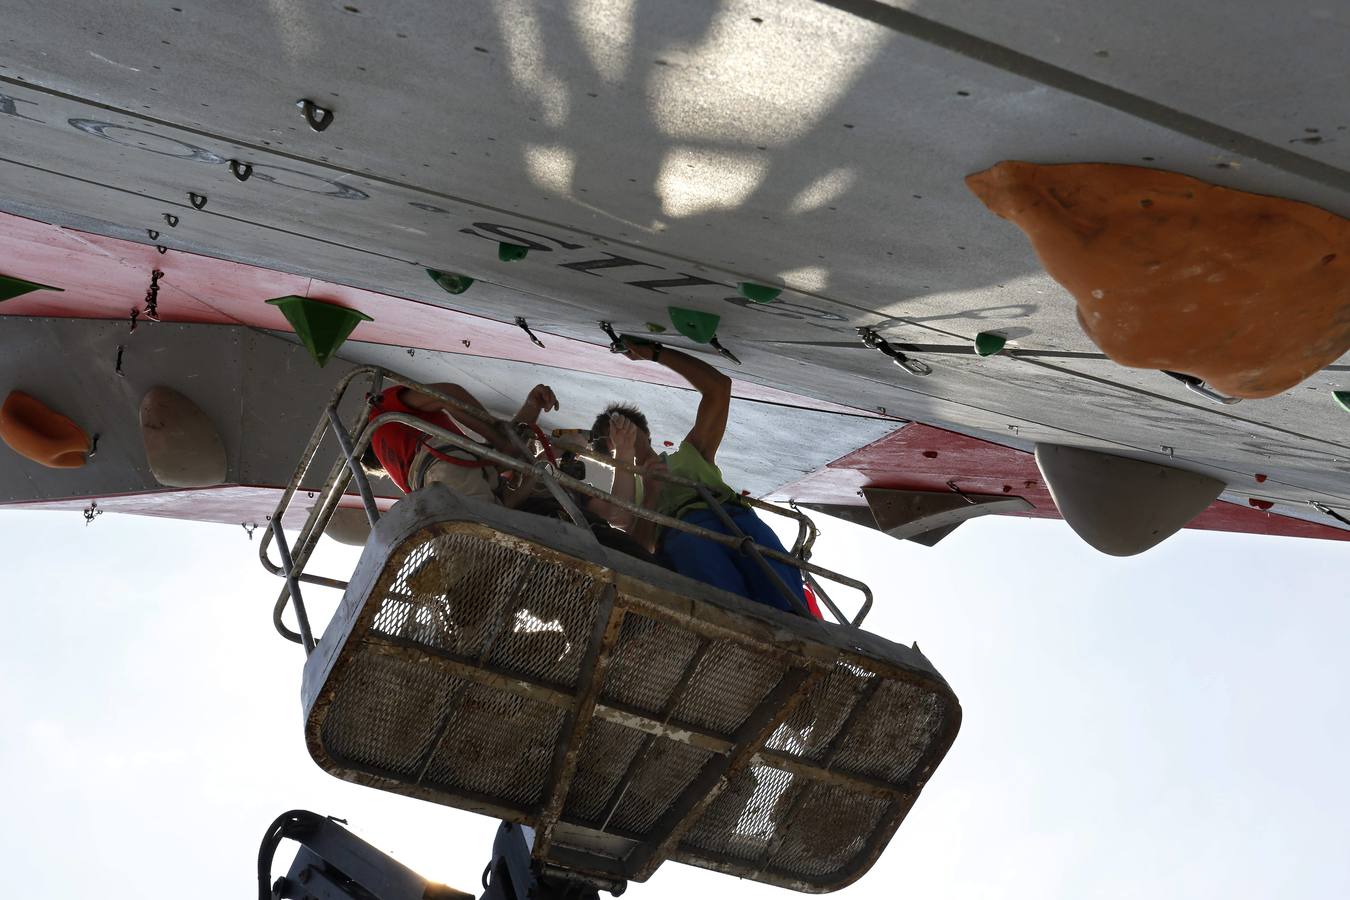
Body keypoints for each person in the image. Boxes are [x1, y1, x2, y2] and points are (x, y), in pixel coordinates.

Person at [589, 338, 809, 614]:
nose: (623, 434)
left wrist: (658, 354)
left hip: (738, 521)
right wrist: (646, 482)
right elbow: (636, 541)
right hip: (684, 538)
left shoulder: (691, 453)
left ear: (642, 429)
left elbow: (719, 388)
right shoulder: (627, 486)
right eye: (614, 437)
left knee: (789, 605)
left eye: (623, 426)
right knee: (733, 616)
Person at [361, 380, 557, 506]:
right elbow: (448, 395)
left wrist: (533, 405)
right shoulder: (381, 412)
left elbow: (503, 456)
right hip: (448, 470)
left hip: (447, 507)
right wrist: (498, 435)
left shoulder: (413, 480)